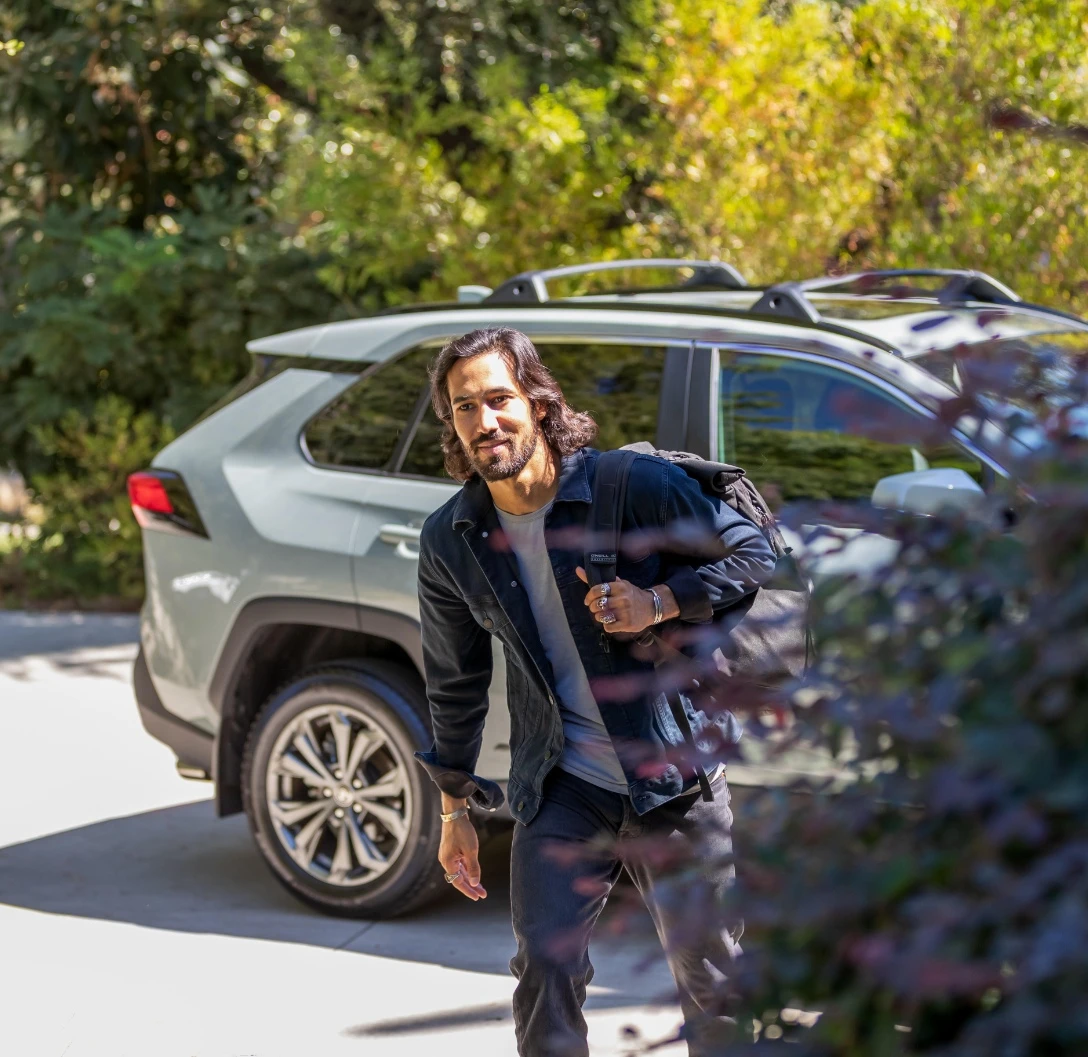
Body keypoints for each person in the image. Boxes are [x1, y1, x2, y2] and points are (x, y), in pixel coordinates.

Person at [413, 327, 777, 1056]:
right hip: (563, 781)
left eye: (498, 399)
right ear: (450, 423)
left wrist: (662, 601)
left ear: (537, 403)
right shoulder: (452, 537)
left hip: (672, 774)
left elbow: (754, 549)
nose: (485, 422)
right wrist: (453, 805)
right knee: (543, 970)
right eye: (464, 407)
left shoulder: (627, 486)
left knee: (712, 978)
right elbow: (455, 680)